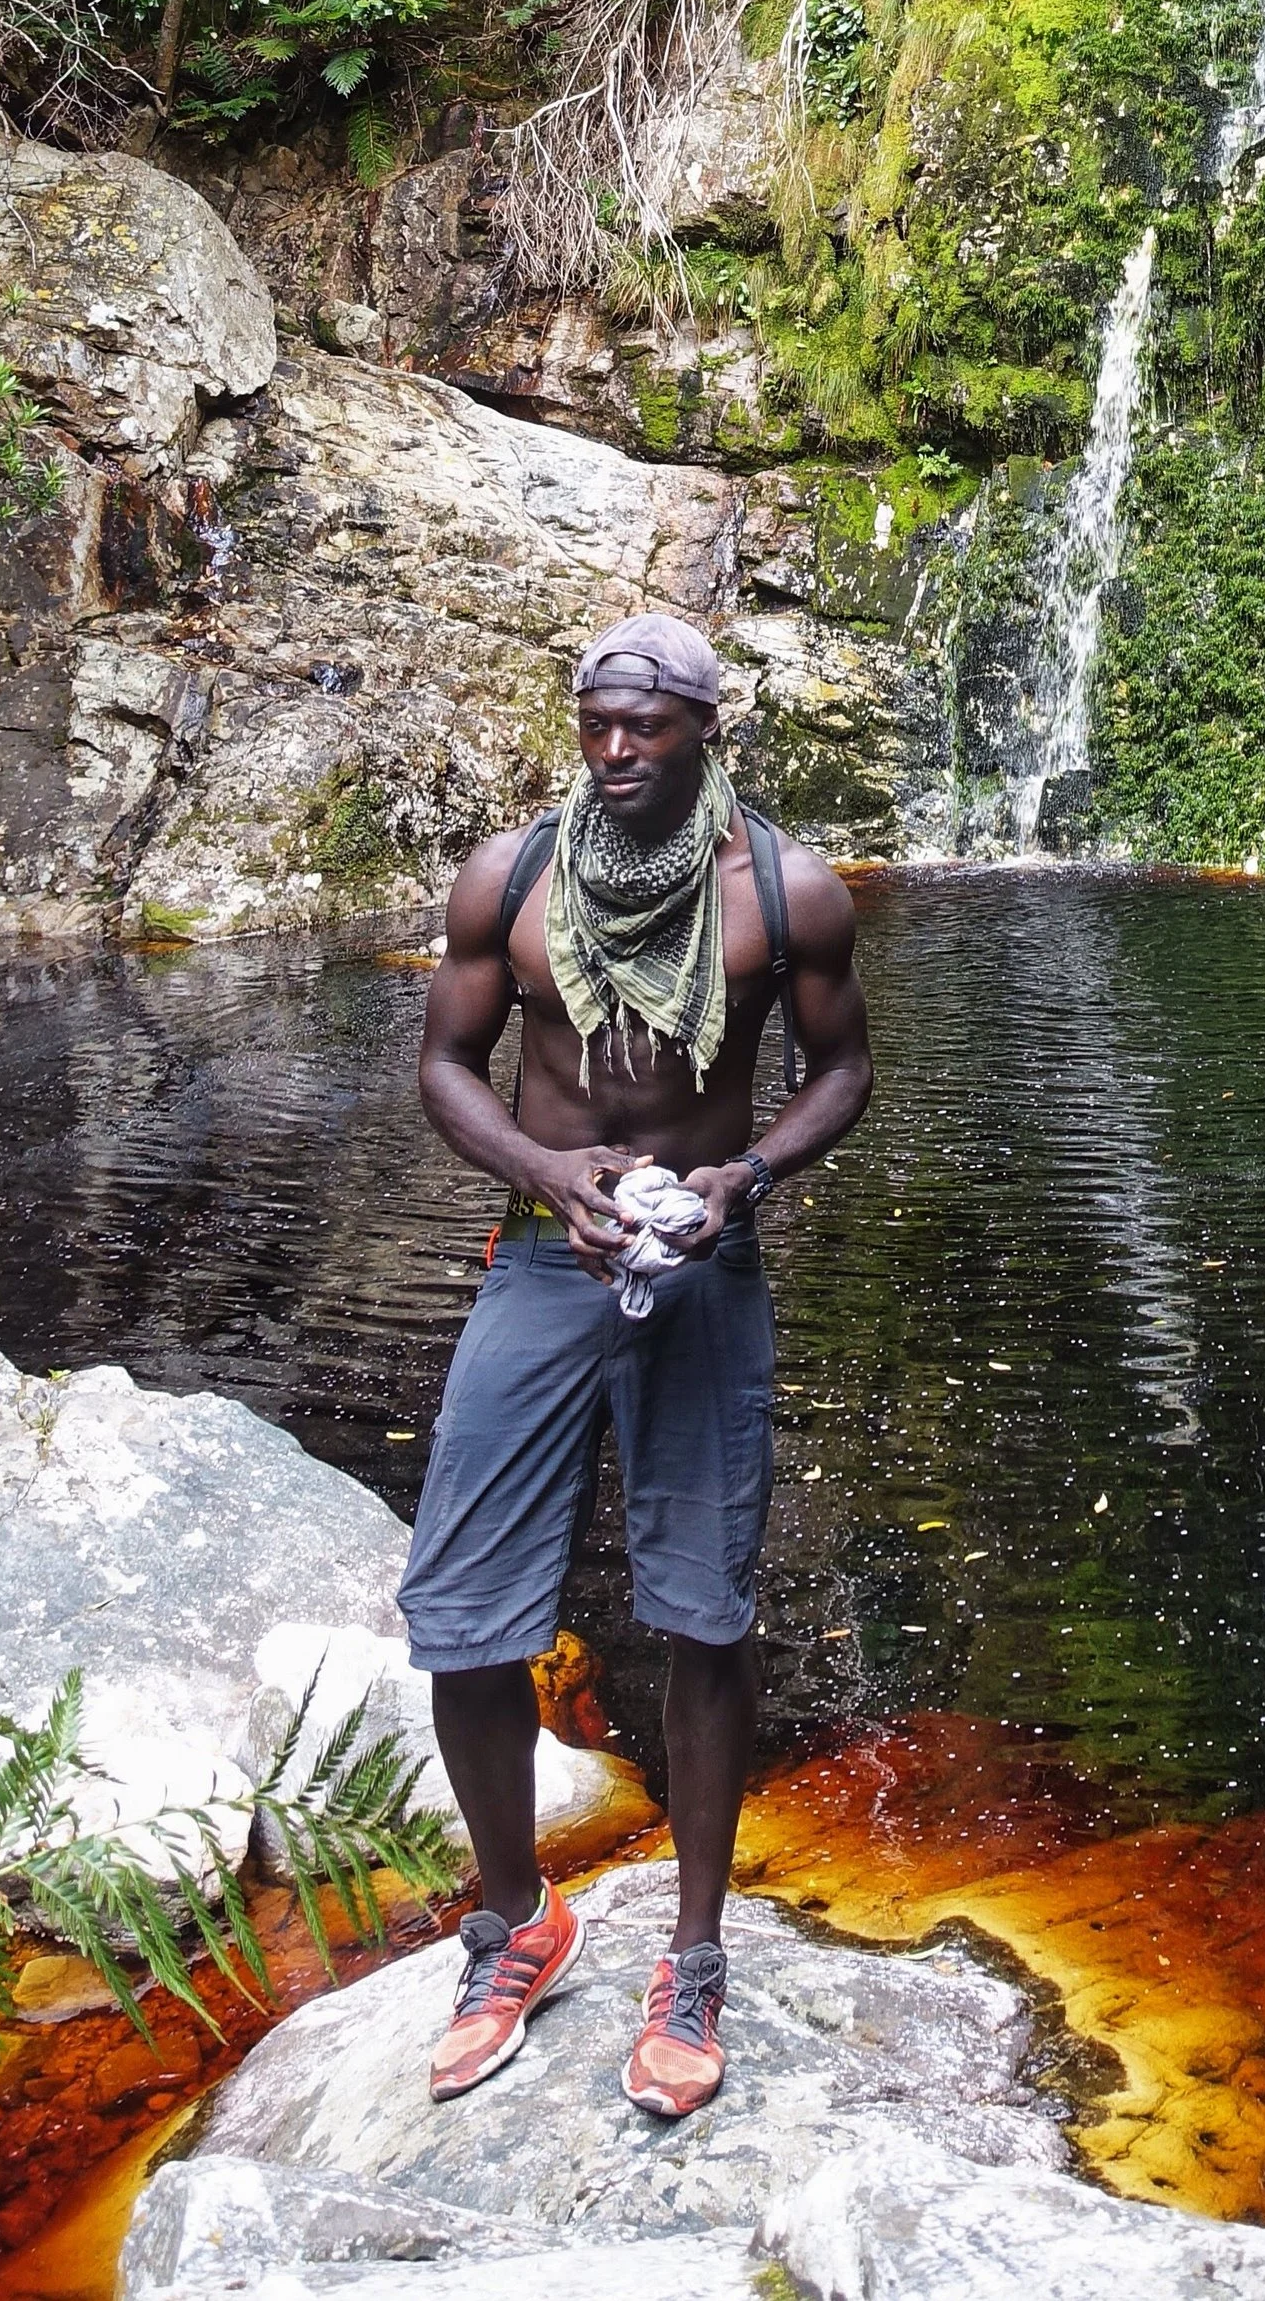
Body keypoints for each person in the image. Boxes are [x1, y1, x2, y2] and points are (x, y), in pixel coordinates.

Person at [399, 611, 872, 2119]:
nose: (612, 750)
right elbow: (442, 1069)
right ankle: (513, 1915)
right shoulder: (514, 878)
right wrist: (549, 1177)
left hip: (706, 1262)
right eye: (595, 722)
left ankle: (694, 1951)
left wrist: (751, 1178)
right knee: (465, 1618)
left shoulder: (786, 893)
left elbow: (842, 1069)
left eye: (645, 727)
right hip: (547, 1263)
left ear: (703, 734)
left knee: (704, 1613)